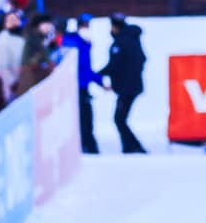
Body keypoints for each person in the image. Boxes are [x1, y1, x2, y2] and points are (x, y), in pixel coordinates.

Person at [100, 14, 147, 154]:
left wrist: (98, 75)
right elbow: (141, 60)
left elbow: (115, 65)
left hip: (126, 88)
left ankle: (132, 146)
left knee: (119, 119)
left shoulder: (120, 43)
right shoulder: (134, 40)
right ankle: (131, 146)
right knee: (120, 119)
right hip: (133, 86)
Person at [63, 16, 98, 153]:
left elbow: (87, 69)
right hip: (73, 87)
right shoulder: (72, 42)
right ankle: (84, 145)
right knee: (81, 117)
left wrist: (99, 81)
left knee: (87, 118)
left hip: (83, 86)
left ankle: (88, 144)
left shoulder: (85, 43)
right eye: (84, 25)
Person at [0, 6, 26, 101]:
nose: (14, 22)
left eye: (16, 19)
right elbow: (1, 67)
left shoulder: (24, 37)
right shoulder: (2, 41)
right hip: (14, 88)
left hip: (28, 84)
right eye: (10, 20)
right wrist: (13, 83)